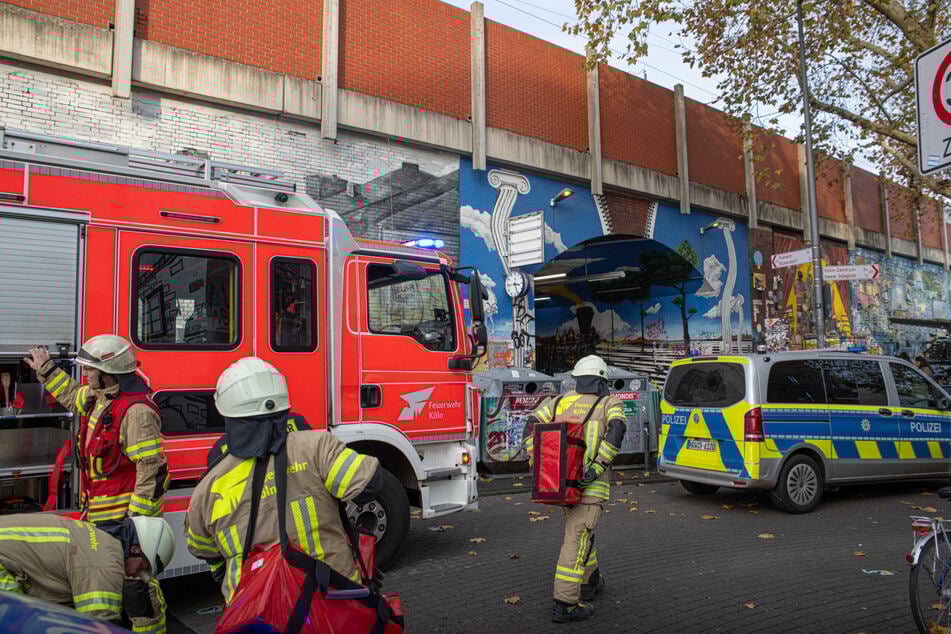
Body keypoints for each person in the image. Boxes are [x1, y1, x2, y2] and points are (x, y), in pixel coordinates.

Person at [184, 357, 383, 605]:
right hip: (332, 597)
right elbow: (369, 485)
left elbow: (201, 548)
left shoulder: (210, 485)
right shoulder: (315, 446)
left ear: (225, 411)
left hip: (256, 608)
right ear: (283, 403)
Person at [524, 355, 627, 623]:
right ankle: (566, 603)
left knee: (581, 533)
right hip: (589, 487)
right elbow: (617, 431)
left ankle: (590, 581)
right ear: (602, 381)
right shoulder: (609, 403)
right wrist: (597, 467)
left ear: (577, 379)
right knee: (577, 539)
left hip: (560, 485)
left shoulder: (558, 402)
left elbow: (531, 424)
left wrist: (536, 462)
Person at [24, 337, 168, 524]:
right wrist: (46, 369)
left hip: (121, 522)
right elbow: (72, 394)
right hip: (100, 518)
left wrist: (136, 523)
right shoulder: (99, 397)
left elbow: (151, 470)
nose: (84, 373)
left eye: (89, 368)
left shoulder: (137, 413)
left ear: (108, 372)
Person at [0, 513, 174, 633]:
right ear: (135, 548)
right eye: (142, 567)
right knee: (16, 624)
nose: (137, 575)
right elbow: (98, 623)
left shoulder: (96, 537)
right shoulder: (107, 563)